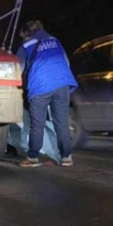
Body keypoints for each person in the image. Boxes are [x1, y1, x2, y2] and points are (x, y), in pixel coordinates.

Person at [16, 19, 78, 167]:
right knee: (61, 122)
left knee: (37, 124)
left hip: (40, 86)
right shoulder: (55, 41)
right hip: (62, 83)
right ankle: (66, 157)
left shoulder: (26, 45)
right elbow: (66, 62)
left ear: (26, 33)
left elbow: (18, 69)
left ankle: (33, 158)